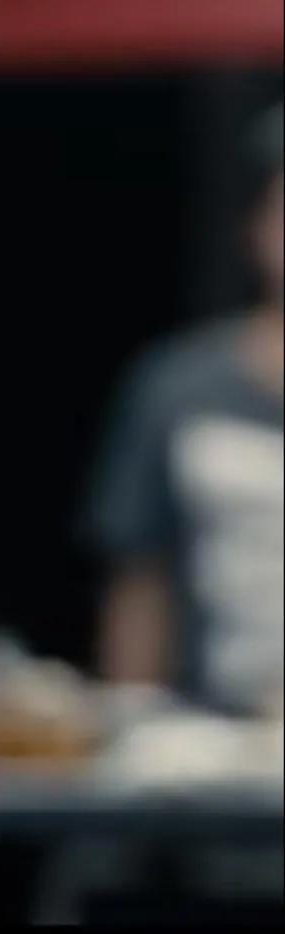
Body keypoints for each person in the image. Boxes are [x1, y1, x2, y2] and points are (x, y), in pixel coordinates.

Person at [86, 102, 285, 717]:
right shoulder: (177, 387)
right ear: (257, 227)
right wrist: (131, 722)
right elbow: (139, 579)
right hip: (213, 740)